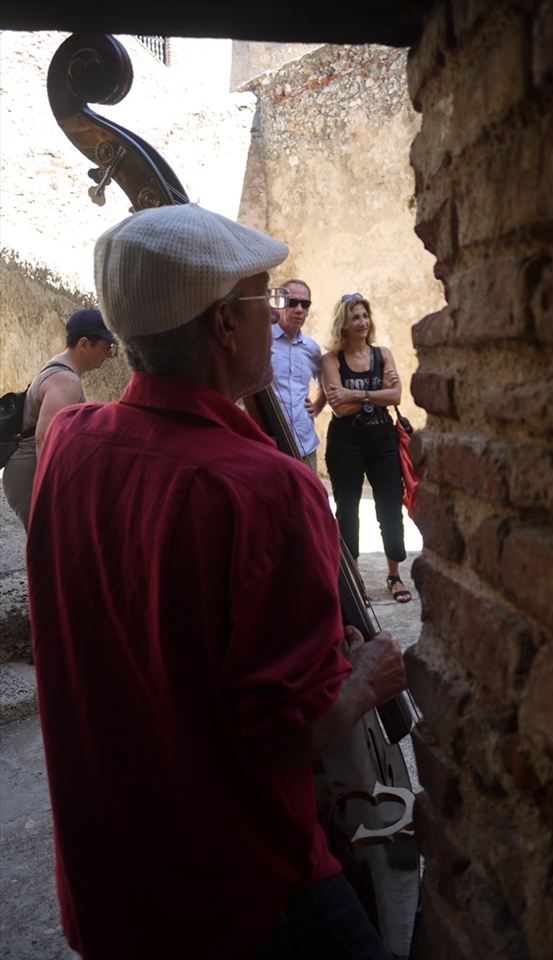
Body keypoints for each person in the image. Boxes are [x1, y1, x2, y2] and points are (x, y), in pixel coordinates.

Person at [26, 203, 407, 960]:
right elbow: (285, 736)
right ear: (222, 326)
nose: (275, 319)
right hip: (245, 896)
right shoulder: (265, 490)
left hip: (112, 887)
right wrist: (365, 676)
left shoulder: (67, 446)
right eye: (264, 301)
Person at [321, 293, 411, 602]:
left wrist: (355, 393)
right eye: (355, 317)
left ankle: (395, 576)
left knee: (389, 506)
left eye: (365, 316)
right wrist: (378, 392)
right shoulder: (331, 359)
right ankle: (354, 577)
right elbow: (339, 409)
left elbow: (396, 396)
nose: (362, 322)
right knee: (347, 510)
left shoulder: (382, 354)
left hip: (383, 439)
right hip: (346, 442)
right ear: (343, 323)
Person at [1, 307, 118, 531]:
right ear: (84, 344)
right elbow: (45, 439)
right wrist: (56, 493)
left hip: (29, 474)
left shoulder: (58, 366)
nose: (110, 355)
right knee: (49, 557)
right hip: (32, 477)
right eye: (106, 347)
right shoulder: (65, 380)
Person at [270, 278, 325, 470]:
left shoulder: (312, 348)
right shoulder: (262, 341)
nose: (299, 309)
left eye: (305, 304)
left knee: (308, 500)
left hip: (305, 445)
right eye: (293, 303)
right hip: (270, 445)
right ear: (279, 304)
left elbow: (326, 382)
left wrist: (318, 406)